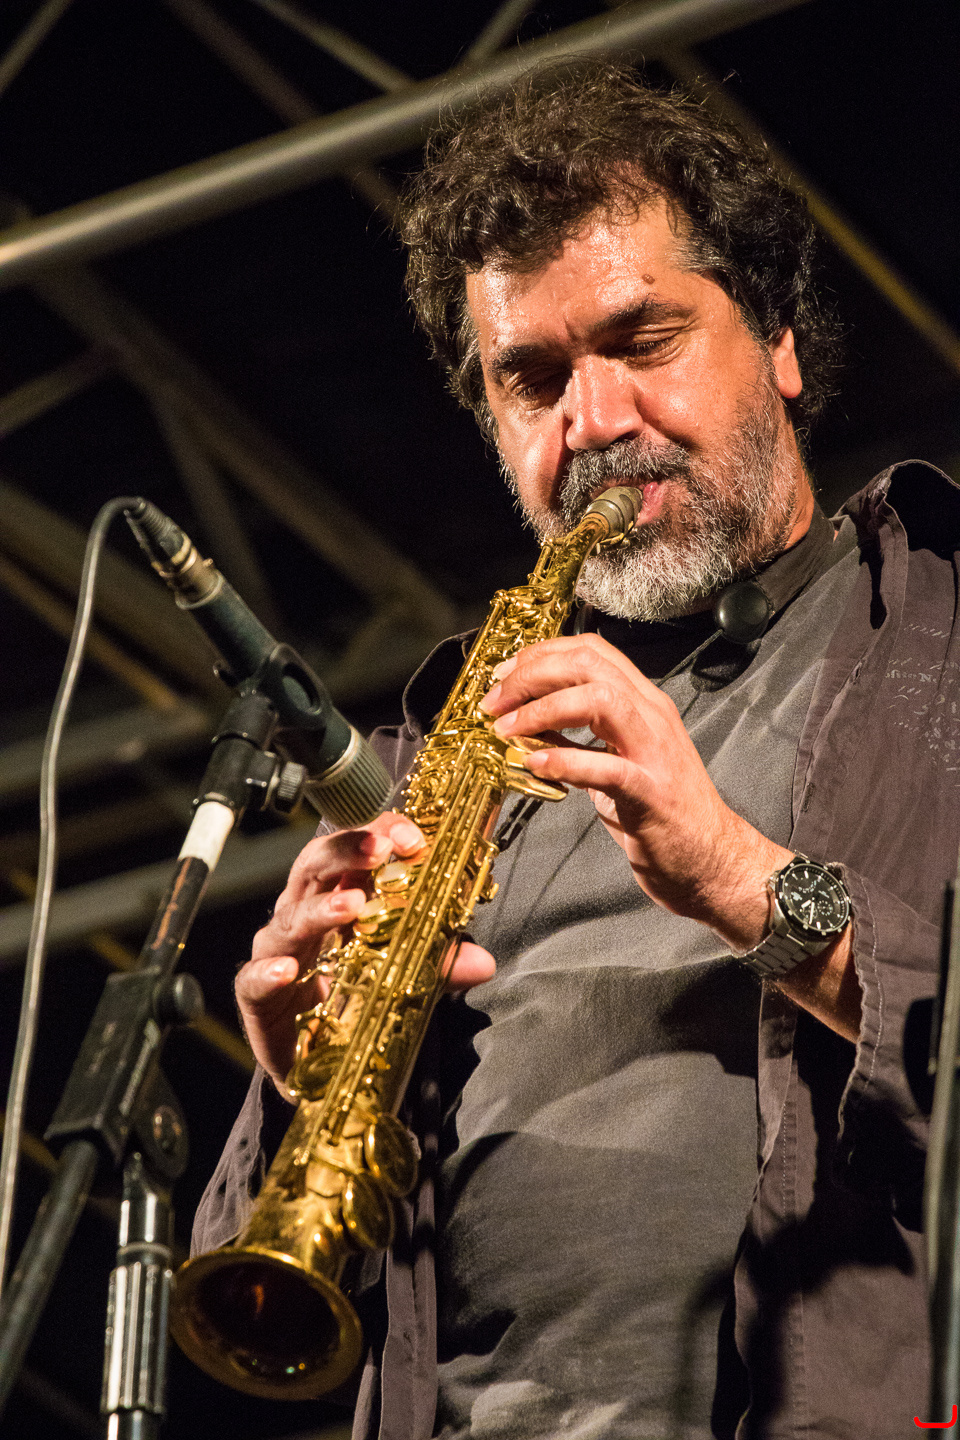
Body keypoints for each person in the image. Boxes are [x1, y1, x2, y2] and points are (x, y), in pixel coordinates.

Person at [194, 63, 959, 1438]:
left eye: (643, 341)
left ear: (780, 341)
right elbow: (268, 1303)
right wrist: (305, 1086)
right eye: (533, 379)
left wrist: (745, 880)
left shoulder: (942, 643)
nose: (593, 422)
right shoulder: (438, 754)